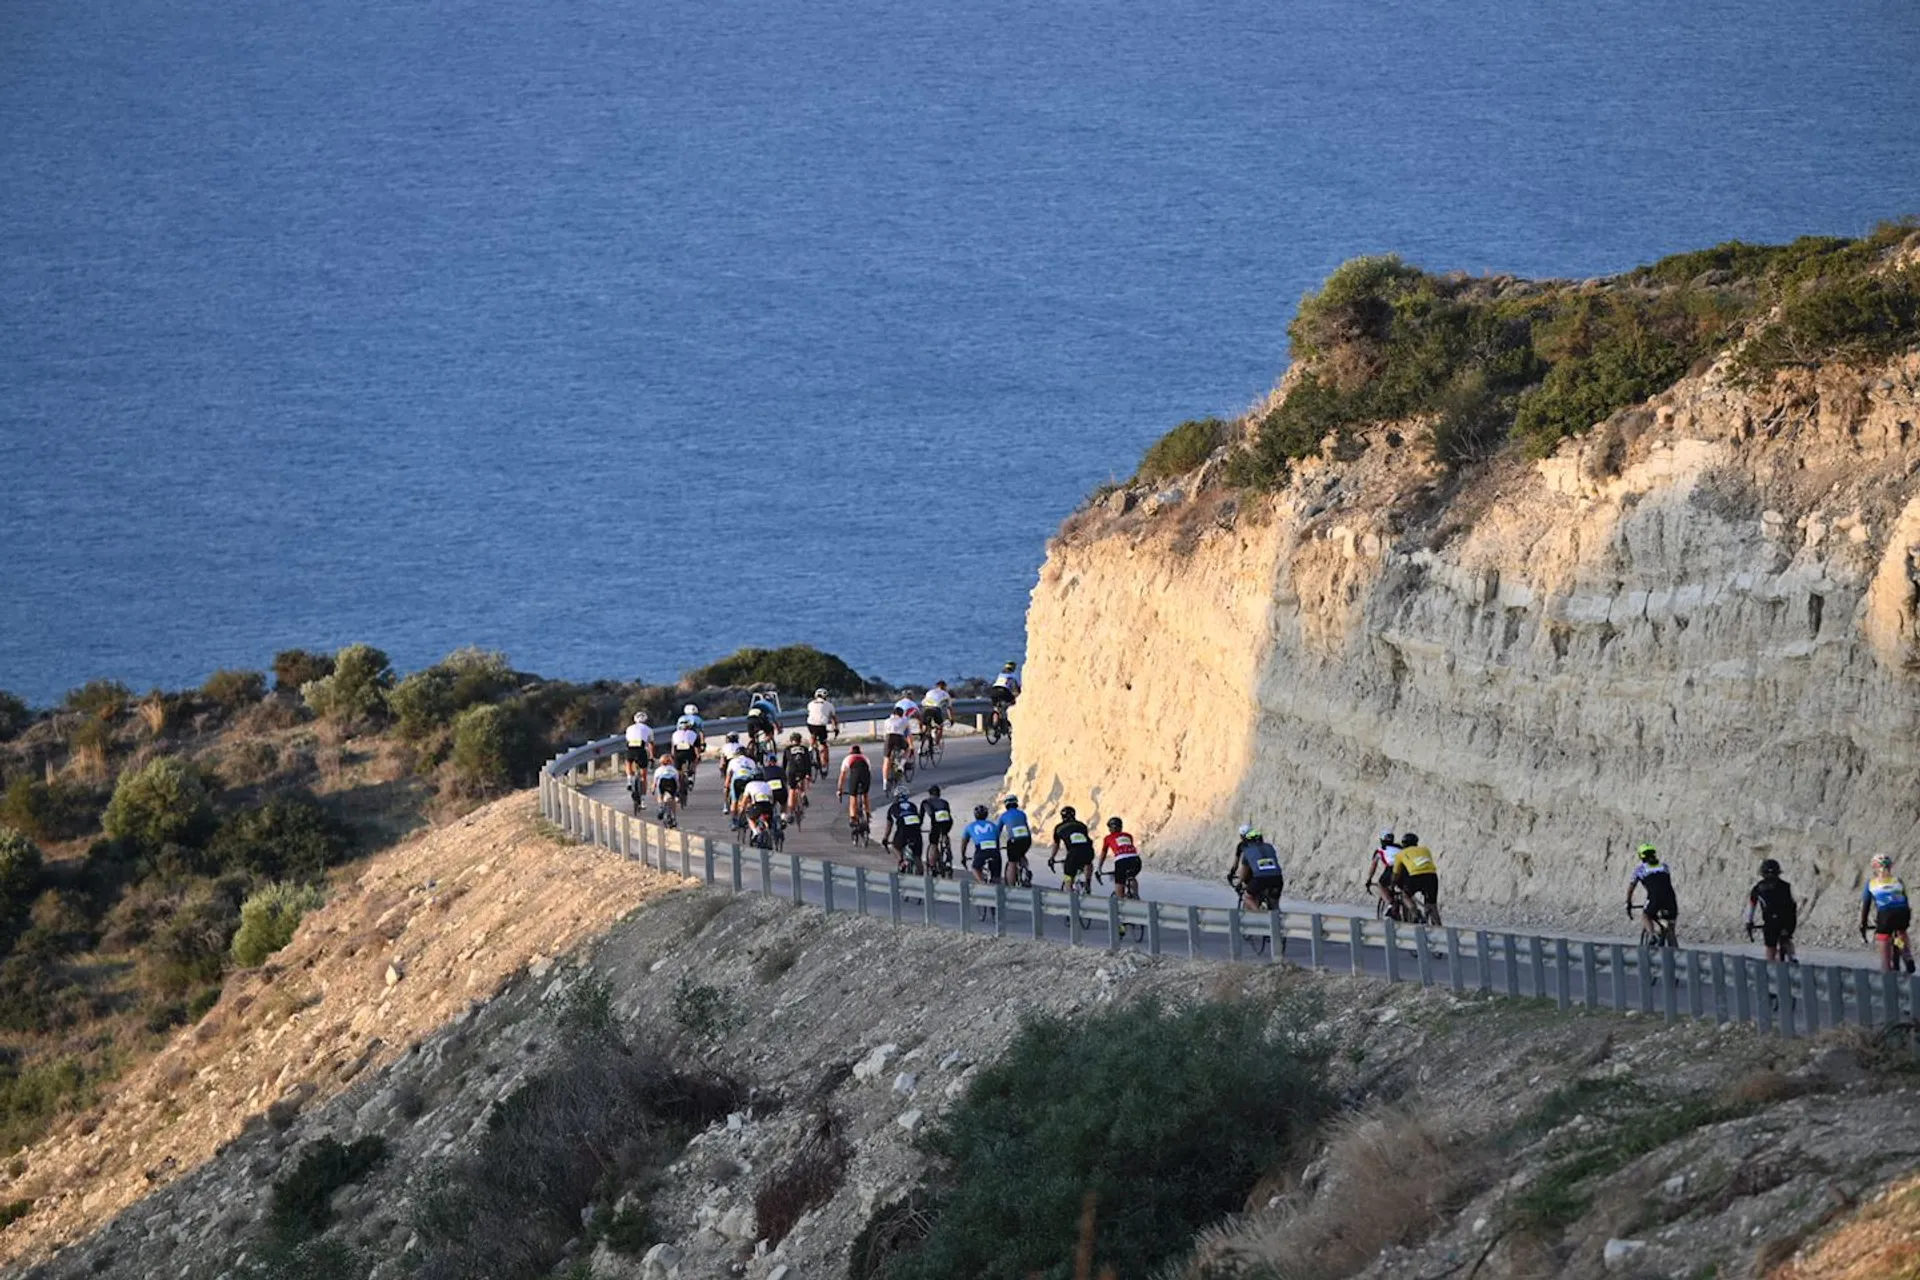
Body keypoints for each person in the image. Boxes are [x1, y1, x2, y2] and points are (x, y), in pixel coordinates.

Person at [1859, 854, 1913, 974]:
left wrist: (1863, 924)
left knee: (1884, 938)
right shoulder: (1898, 880)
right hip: (1903, 912)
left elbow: (1866, 906)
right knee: (1900, 933)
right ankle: (1906, 954)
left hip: (1886, 913)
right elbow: (1905, 898)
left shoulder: (1871, 883)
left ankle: (1886, 969)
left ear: (1874, 867)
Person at [1745, 859, 1798, 963]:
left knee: (1770, 946)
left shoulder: (1758, 888)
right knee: (1786, 938)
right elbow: (1793, 903)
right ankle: (1792, 958)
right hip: (1788, 919)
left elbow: (1751, 906)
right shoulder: (1786, 886)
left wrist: (1749, 922)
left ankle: (1771, 967)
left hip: (1770, 921)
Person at [1625, 844, 1675, 945]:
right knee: (1669, 924)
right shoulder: (1664, 866)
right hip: (1671, 898)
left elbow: (1630, 889)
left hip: (1655, 898)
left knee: (1645, 915)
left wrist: (1628, 903)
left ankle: (1652, 935)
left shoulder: (1640, 870)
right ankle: (1671, 938)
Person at [1392, 833, 1442, 926]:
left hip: (1415, 876)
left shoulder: (1400, 854)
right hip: (1431, 876)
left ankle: (1416, 914)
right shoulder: (1425, 850)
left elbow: (1396, 874)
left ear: (1403, 844)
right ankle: (1439, 928)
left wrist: (1392, 885)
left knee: (1405, 896)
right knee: (1432, 905)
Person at [1232, 827, 1285, 910]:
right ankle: (1277, 918)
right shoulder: (1270, 847)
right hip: (1277, 878)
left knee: (1247, 896)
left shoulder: (1247, 851)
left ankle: (1258, 913)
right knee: (1274, 902)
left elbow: (1244, 871)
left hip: (1260, 879)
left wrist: (1239, 883)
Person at [1051, 805, 1095, 893]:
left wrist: (1052, 857)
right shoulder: (1082, 825)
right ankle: (1087, 882)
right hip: (1089, 850)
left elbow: (1056, 844)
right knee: (1088, 862)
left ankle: (1069, 894)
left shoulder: (1058, 828)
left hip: (1073, 853)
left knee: (1068, 876)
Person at [883, 786, 925, 872]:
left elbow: (889, 826)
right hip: (916, 830)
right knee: (917, 856)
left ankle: (902, 861)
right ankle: (921, 873)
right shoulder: (913, 806)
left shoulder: (892, 807)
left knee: (895, 846)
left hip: (903, 830)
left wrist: (885, 838)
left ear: (896, 797)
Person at [997, 794, 1035, 887]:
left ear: (1006, 805)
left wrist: (995, 844)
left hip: (1014, 840)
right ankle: (1026, 870)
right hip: (1027, 839)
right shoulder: (1022, 814)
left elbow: (998, 831)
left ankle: (1010, 885)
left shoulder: (1003, 816)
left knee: (1012, 862)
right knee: (1021, 854)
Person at [1099, 816, 1141, 897]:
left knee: (1119, 882)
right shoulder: (1128, 835)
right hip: (1136, 859)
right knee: (1131, 875)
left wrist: (1099, 867)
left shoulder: (1108, 838)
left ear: (1110, 828)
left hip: (1121, 860)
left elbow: (1103, 853)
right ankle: (1136, 895)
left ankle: (1119, 900)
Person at [962, 804, 1002, 885]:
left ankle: (982, 883)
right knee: (996, 876)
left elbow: (964, 843)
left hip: (981, 848)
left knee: (975, 868)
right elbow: (997, 840)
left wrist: (963, 855)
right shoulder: (993, 825)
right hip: (994, 849)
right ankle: (997, 885)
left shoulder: (970, 826)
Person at [837, 744, 872, 830]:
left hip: (855, 775)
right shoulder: (865, 758)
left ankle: (853, 817)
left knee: (853, 796)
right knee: (865, 794)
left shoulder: (847, 758)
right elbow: (869, 772)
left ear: (850, 752)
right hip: (865, 775)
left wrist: (840, 789)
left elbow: (842, 776)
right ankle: (867, 813)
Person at [920, 785, 954, 873]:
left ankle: (932, 865)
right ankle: (947, 848)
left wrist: (918, 827)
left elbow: (921, 817)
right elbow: (948, 814)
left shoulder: (926, 802)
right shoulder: (944, 802)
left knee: (933, 843)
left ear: (929, 793)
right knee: (944, 833)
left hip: (936, 822)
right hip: (948, 822)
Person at [782, 732, 815, 820]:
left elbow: (784, 764)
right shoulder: (804, 749)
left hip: (792, 771)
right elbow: (808, 763)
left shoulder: (787, 749)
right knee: (801, 783)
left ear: (791, 740)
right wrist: (809, 774)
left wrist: (783, 775)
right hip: (802, 770)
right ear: (800, 741)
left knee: (792, 791)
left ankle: (790, 813)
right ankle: (803, 793)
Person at [1365, 831, 1399, 910]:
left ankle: (1391, 904)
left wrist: (1369, 879)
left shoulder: (1380, 850)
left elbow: (1373, 866)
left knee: (1381, 884)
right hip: (1405, 869)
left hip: (1392, 868)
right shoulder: (1399, 847)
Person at [806, 690, 839, 772]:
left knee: (813, 734)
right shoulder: (829, 705)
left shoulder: (810, 704)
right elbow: (834, 718)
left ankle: (811, 748)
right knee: (823, 743)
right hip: (821, 725)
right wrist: (836, 728)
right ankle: (824, 763)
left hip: (810, 724)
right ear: (825, 697)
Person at [741, 774, 778, 845]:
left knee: (750, 817)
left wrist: (742, 807)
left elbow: (744, 799)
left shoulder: (750, 784)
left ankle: (755, 831)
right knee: (768, 819)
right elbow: (772, 799)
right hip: (767, 806)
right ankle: (770, 832)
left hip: (757, 806)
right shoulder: (767, 785)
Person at [881, 709, 913, 789]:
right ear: (902, 714)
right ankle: (901, 765)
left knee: (886, 760)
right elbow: (908, 733)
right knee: (907, 749)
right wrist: (911, 745)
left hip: (889, 738)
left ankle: (885, 782)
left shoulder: (887, 720)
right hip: (899, 737)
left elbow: (884, 733)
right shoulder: (904, 720)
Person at [650, 756, 683, 826]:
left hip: (662, 783)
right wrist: (677, 792)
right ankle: (674, 817)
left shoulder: (658, 770)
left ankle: (661, 807)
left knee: (659, 795)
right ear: (671, 762)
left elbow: (654, 783)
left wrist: (652, 790)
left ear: (661, 762)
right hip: (672, 783)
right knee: (673, 799)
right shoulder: (674, 770)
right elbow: (677, 782)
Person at [670, 719, 703, 786]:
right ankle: (690, 776)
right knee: (694, 761)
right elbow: (696, 747)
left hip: (678, 753)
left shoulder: (674, 734)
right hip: (689, 752)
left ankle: (677, 780)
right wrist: (698, 756)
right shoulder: (694, 734)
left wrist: (673, 755)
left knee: (677, 768)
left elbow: (673, 747)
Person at [989, 662, 1020, 732]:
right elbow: (1016, 687)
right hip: (1003, 691)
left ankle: (995, 723)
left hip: (993, 691)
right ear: (1013, 668)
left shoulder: (1000, 674)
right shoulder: (1012, 676)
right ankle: (1006, 718)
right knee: (1012, 702)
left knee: (996, 708)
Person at [623, 711, 654, 780]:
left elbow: (627, 740)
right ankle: (643, 781)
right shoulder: (649, 729)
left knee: (628, 762)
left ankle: (629, 780)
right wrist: (651, 757)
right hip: (641, 749)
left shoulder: (629, 728)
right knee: (643, 771)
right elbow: (651, 744)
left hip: (630, 748)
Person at [923, 681, 953, 747]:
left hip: (926, 709)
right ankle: (936, 743)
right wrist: (951, 719)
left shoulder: (929, 692)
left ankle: (923, 740)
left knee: (926, 725)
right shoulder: (945, 694)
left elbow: (923, 702)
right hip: (936, 710)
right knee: (940, 727)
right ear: (944, 687)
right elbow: (949, 708)